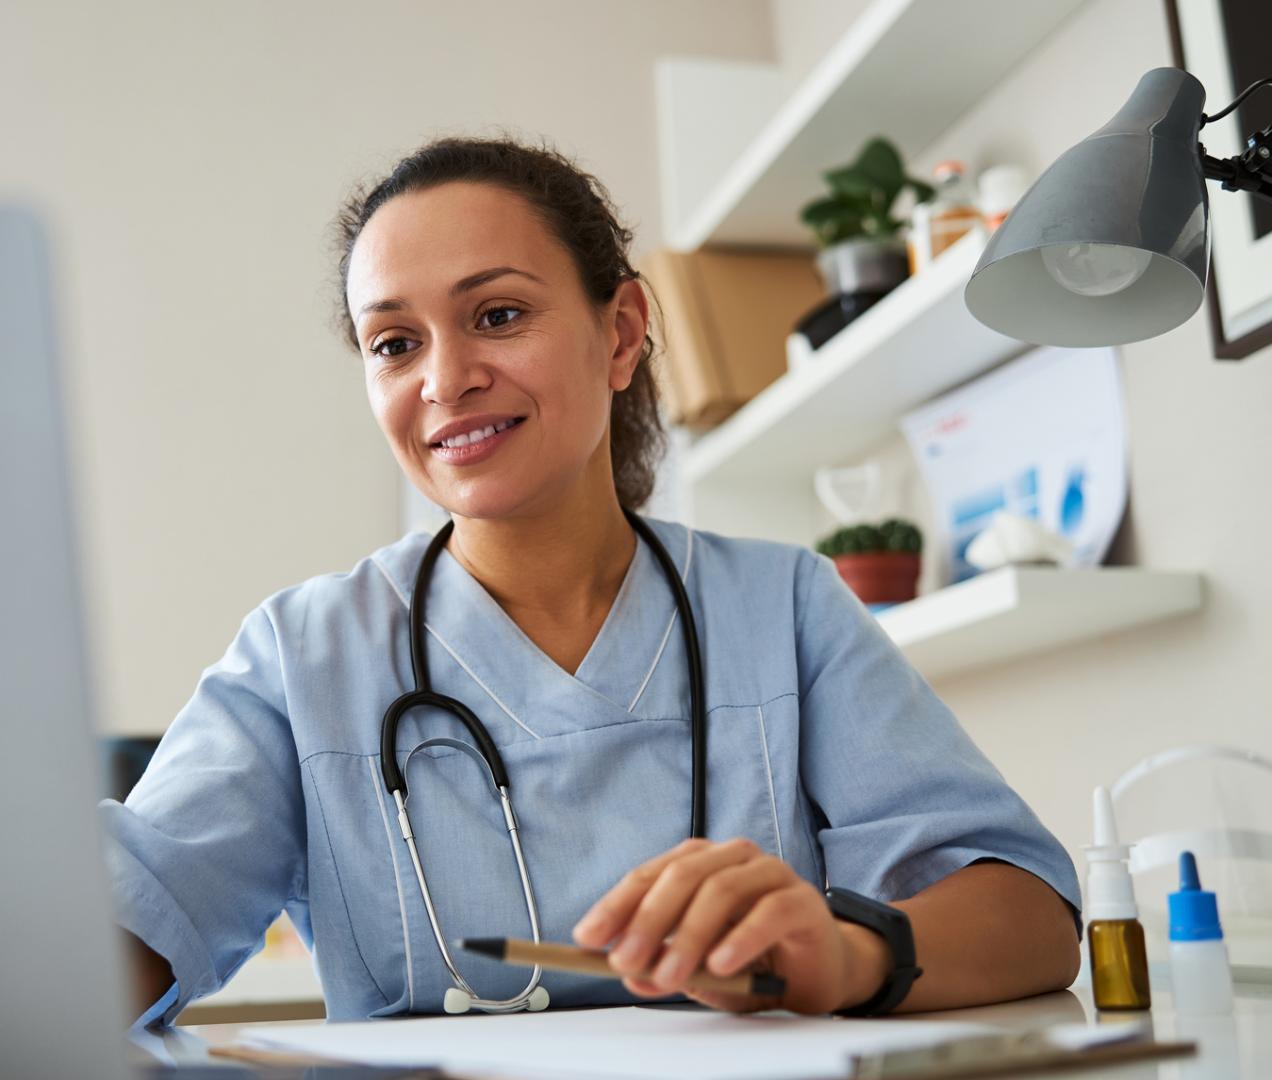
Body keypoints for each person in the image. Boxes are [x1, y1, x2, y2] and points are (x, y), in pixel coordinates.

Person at [103, 136, 1080, 1022]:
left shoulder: (781, 609)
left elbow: (1029, 916)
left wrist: (847, 954)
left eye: (496, 314)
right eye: (393, 343)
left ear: (618, 335)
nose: (443, 380)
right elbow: (120, 933)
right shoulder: (300, 657)